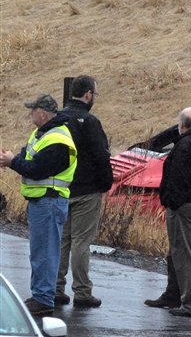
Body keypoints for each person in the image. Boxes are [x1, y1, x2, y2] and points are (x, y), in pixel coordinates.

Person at [0, 94, 77, 315]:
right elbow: (26, 157)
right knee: (40, 252)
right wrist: (13, 159)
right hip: (41, 201)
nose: (30, 114)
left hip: (49, 201)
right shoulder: (42, 133)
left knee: (45, 252)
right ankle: (40, 295)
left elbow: (37, 169)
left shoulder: (58, 141)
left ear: (43, 113)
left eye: (32, 110)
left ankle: (43, 298)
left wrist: (13, 161)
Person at [147, 107, 191, 318]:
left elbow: (177, 179)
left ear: (183, 126)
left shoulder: (183, 147)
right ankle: (189, 299)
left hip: (186, 207)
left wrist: (171, 203)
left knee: (186, 256)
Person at [55, 75, 113, 308]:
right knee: (81, 242)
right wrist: (105, 183)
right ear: (88, 94)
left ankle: (56, 287)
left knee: (62, 241)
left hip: (61, 188)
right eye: (94, 94)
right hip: (87, 191)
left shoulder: (58, 119)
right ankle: (82, 291)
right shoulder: (89, 122)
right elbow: (101, 156)